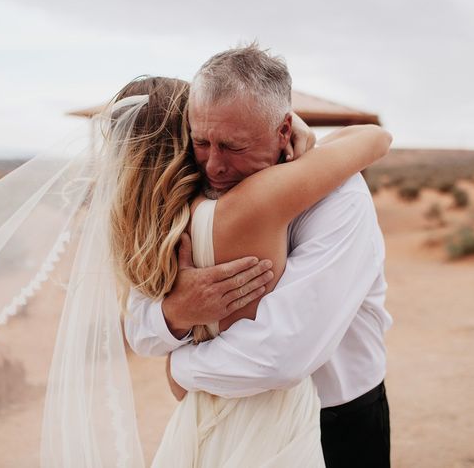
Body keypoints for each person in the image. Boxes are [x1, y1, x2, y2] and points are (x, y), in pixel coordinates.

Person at [125, 45, 393, 467]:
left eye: (233, 146)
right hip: (220, 422)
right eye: (202, 142)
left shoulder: (341, 199)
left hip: (336, 420)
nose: (214, 165)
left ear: (284, 130)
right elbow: (138, 326)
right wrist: (176, 312)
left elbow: (280, 355)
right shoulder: (191, 193)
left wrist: (180, 369)